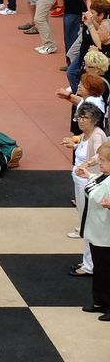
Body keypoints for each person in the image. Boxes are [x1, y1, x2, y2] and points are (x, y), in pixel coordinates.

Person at [65, 104, 107, 278]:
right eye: (79, 117)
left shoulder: (97, 135)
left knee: (87, 224)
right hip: (81, 182)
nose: (81, 121)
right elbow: (81, 141)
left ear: (94, 120)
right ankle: (88, 260)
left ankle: (90, 265)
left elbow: (99, 154)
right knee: (84, 221)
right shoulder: (85, 135)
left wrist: (87, 164)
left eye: (85, 118)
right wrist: (73, 143)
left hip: (89, 184)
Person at [74, 141, 110, 320]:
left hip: (106, 235)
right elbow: (95, 184)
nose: (100, 163)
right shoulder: (103, 176)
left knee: (106, 271)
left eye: (103, 160)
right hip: (97, 232)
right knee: (100, 270)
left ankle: (108, 305)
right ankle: (100, 301)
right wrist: (88, 174)